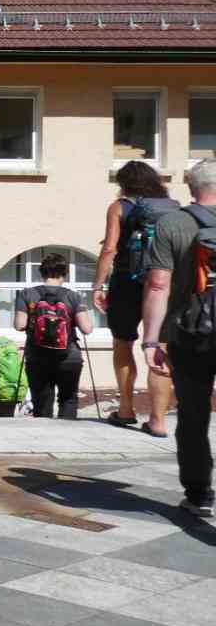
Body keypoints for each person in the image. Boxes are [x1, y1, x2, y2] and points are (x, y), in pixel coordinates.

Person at [138, 159, 216, 518]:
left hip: (190, 332)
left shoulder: (173, 223)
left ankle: (199, 494)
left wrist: (152, 340)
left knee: (193, 413)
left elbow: (158, 284)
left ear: (190, 187)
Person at [96, 161, 176, 436]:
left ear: (124, 183)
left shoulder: (119, 207)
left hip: (126, 282)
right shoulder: (170, 208)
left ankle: (126, 410)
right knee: (160, 348)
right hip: (163, 284)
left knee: (123, 343)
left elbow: (109, 248)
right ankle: (158, 421)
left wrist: (98, 285)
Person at [15, 252, 94, 420]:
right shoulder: (73, 296)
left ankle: (45, 435)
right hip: (69, 356)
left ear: (42, 272)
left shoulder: (27, 294)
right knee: (68, 399)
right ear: (65, 273)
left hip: (37, 356)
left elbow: (20, 325)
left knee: (42, 403)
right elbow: (87, 329)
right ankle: (67, 434)